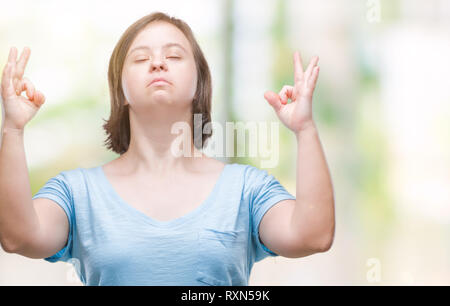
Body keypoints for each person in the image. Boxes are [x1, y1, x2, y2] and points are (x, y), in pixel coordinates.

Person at [0, 12, 335, 286]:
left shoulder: (247, 190)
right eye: (141, 58)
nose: (158, 63)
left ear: (198, 84)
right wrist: (13, 129)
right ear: (122, 90)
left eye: (174, 56)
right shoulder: (76, 192)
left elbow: (313, 236)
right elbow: (18, 237)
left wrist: (305, 130)